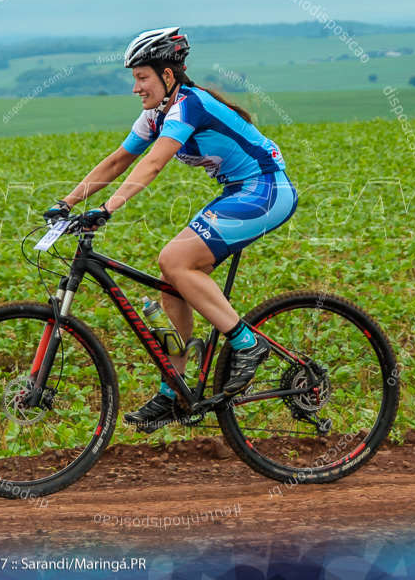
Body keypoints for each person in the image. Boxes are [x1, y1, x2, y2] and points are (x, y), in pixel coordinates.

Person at [43, 27, 298, 432]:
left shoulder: (188, 106)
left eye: (141, 77)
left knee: (174, 259)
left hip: (267, 189)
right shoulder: (156, 113)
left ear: (167, 74)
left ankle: (248, 343)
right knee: (170, 280)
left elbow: (153, 164)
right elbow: (118, 161)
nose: (135, 87)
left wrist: (107, 208)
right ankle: (174, 391)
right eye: (134, 78)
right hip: (240, 190)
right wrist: (66, 203)